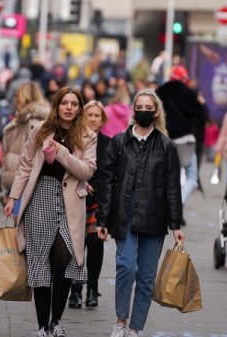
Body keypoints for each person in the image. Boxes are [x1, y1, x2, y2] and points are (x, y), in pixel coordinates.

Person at [3, 87, 97, 337]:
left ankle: (57, 321)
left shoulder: (87, 135)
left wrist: (62, 154)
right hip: (40, 199)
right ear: (56, 106)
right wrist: (14, 197)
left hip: (69, 203)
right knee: (40, 262)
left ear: (79, 108)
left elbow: (87, 171)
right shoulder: (40, 130)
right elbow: (24, 166)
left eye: (74, 104)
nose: (68, 108)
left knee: (63, 260)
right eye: (64, 103)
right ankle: (42, 326)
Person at [96, 89, 185, 337]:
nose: (144, 110)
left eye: (148, 107)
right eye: (139, 106)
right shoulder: (119, 141)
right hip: (124, 210)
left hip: (154, 213)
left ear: (156, 111)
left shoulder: (166, 146)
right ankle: (120, 321)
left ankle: (135, 328)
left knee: (146, 275)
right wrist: (102, 218)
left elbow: (172, 187)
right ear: (133, 110)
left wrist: (176, 224)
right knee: (126, 266)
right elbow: (106, 180)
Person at [68, 100, 111, 309]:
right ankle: (75, 289)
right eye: (89, 115)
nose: (93, 119)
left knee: (95, 244)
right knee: (76, 245)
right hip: (77, 198)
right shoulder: (75, 139)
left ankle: (92, 288)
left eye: (97, 115)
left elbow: (110, 174)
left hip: (98, 201)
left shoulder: (108, 143)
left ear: (103, 119)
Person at [156, 77, 207, 206]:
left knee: (169, 174)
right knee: (191, 175)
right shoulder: (188, 93)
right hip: (185, 139)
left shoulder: (160, 92)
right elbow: (201, 117)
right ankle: (179, 202)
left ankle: (167, 202)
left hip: (165, 139)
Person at [1, 82, 50, 215]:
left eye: (17, 95)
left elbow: (35, 154)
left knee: (21, 228)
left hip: (25, 183)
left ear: (24, 96)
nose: (15, 99)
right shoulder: (23, 118)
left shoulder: (33, 121)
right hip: (19, 182)